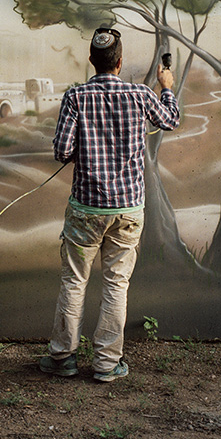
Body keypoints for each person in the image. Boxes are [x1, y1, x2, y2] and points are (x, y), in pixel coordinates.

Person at [39, 27, 179, 382]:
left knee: (74, 282)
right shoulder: (140, 94)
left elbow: (61, 151)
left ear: (92, 61)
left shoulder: (75, 97)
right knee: (116, 284)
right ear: (119, 62)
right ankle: (105, 364)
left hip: (86, 209)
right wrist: (168, 88)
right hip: (128, 210)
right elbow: (170, 120)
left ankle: (62, 359)